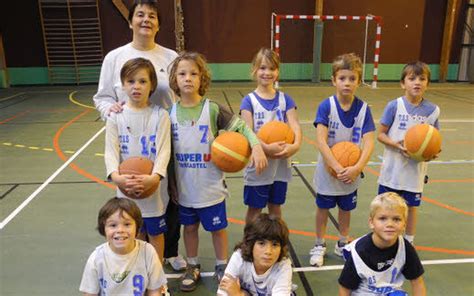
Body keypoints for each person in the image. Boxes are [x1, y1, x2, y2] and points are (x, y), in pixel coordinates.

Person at [93, 0, 186, 271]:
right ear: (131, 20)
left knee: (171, 198)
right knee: (133, 202)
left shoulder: (170, 57)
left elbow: (182, 95)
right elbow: (102, 98)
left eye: (152, 16)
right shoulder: (114, 57)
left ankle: (169, 251)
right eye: (140, 15)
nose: (146, 20)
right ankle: (138, 257)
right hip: (130, 141)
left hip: (166, 137)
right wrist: (110, 111)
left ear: (158, 23)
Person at [168, 51, 267, 292]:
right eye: (182, 73)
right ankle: (193, 265)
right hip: (184, 188)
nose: (188, 78)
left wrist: (256, 146)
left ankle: (223, 265)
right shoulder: (168, 114)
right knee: (189, 229)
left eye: (194, 73)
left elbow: (242, 127)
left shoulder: (212, 110)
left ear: (203, 78)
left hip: (210, 187)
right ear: (174, 79)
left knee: (217, 229)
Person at [309, 53, 375, 267]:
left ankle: (342, 241)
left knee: (346, 208)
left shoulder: (364, 109)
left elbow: (369, 142)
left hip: (351, 172)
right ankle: (319, 244)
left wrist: (357, 167)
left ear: (358, 81)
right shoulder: (326, 106)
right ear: (334, 80)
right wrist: (336, 166)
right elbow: (320, 140)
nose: (347, 83)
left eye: (352, 79)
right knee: (323, 208)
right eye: (342, 78)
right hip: (329, 170)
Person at [105, 57, 170, 262]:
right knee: (133, 233)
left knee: (156, 234)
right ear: (123, 85)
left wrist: (154, 177)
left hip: (152, 187)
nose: (136, 86)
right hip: (125, 188)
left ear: (152, 85)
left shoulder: (161, 115)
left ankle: (158, 279)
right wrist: (116, 177)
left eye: (143, 81)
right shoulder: (116, 116)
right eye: (131, 81)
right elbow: (110, 151)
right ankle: (138, 272)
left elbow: (163, 151)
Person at [377, 61, 440, 245]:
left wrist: (431, 153)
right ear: (403, 83)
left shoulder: (433, 111)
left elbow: (435, 140)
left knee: (411, 207)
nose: (417, 82)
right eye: (412, 78)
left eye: (422, 78)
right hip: (392, 170)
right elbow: (380, 134)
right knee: (385, 206)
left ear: (427, 83)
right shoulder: (394, 106)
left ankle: (408, 242)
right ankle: (381, 239)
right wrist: (396, 145)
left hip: (415, 171)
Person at [240, 48, 302, 224]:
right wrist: (266, 148)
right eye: (262, 68)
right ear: (254, 70)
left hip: (280, 166)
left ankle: (277, 243)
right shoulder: (249, 101)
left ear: (278, 72)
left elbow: (295, 125)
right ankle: (249, 245)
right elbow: (247, 131)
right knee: (255, 208)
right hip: (259, 164)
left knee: (275, 207)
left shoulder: (286, 99)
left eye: (272, 69)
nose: (267, 73)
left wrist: (295, 145)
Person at [338, 192, 426, 296]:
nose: (390, 224)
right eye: (383, 218)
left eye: (396, 219)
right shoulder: (359, 252)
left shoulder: (405, 247)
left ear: (404, 225)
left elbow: (417, 282)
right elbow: (344, 289)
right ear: (371, 222)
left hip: (390, 291)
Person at [79, 197, 168, 295]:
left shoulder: (148, 252)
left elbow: (154, 290)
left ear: (137, 227)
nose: (120, 230)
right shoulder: (96, 258)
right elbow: (89, 294)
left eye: (127, 224)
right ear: (103, 228)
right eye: (113, 225)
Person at [217, 213, 293, 296]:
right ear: (251, 244)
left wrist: (239, 294)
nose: (268, 251)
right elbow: (223, 292)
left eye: (275, 245)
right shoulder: (239, 257)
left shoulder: (283, 266)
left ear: (281, 248)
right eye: (261, 243)